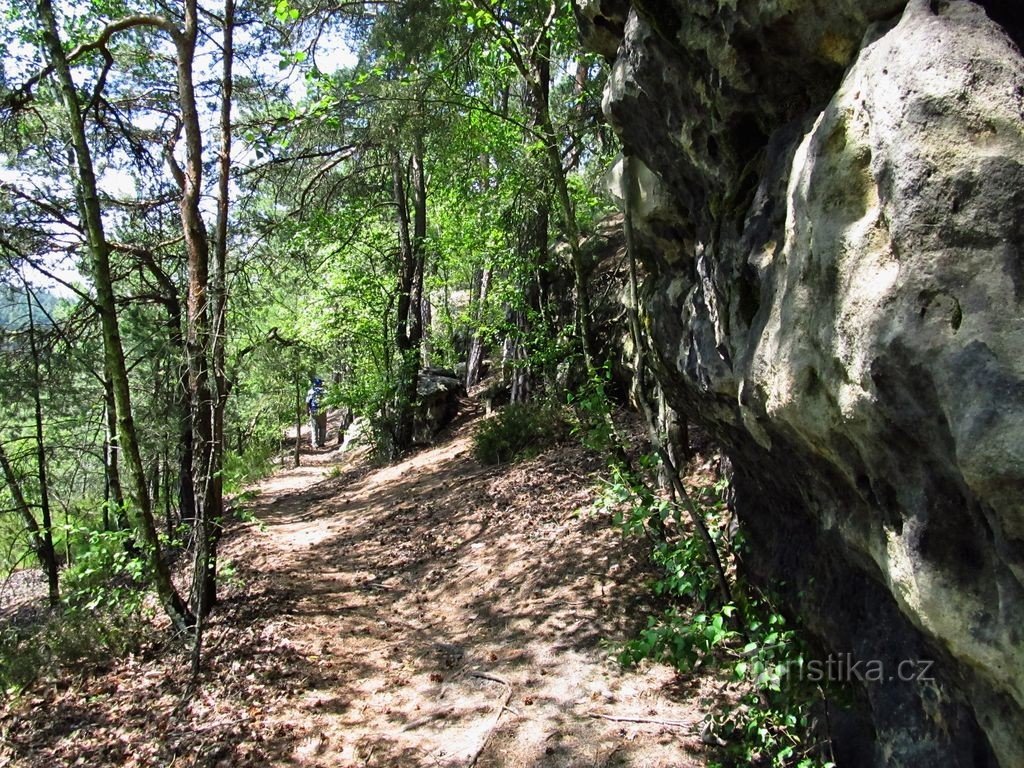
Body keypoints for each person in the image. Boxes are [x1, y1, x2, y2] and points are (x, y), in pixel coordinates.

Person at [305, 377, 328, 448]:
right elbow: (328, 401)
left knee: (314, 427)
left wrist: (307, 412)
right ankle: (322, 442)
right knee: (323, 427)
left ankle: (315, 443)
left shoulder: (311, 391)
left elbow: (307, 403)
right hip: (322, 411)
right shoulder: (324, 391)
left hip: (313, 411)